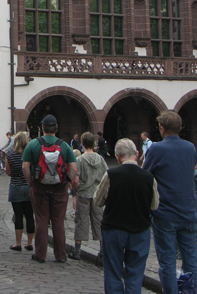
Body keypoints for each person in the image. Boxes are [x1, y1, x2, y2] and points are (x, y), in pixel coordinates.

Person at [95, 138, 159, 294]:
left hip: (114, 228)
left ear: (117, 157)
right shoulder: (148, 177)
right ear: (136, 154)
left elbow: (98, 200)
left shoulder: (111, 174)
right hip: (140, 229)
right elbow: (154, 205)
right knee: (135, 273)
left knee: (113, 271)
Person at [143, 111, 197, 294]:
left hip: (165, 213)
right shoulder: (190, 148)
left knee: (167, 262)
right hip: (189, 212)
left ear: (162, 129)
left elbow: (145, 176)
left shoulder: (157, 149)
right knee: (191, 261)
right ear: (180, 128)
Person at [22, 114, 77, 263]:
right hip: (59, 188)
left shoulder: (33, 144)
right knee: (58, 221)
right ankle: (60, 254)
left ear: (42, 128)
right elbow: (73, 166)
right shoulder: (64, 145)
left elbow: (25, 166)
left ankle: (40, 254)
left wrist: (31, 182)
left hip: (39, 187)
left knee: (41, 220)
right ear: (56, 129)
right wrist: (68, 181)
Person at [68, 131, 108, 261]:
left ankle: (77, 251)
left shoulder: (80, 160)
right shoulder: (100, 159)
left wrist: (76, 189)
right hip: (97, 194)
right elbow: (106, 176)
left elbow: (76, 179)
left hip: (84, 193)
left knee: (81, 221)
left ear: (83, 144)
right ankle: (102, 251)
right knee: (99, 221)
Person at [5, 132, 34, 252]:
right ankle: (29, 242)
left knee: (18, 216)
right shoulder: (30, 155)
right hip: (29, 187)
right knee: (29, 216)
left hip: (16, 187)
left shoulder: (10, 155)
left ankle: (18, 243)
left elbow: (8, 172)